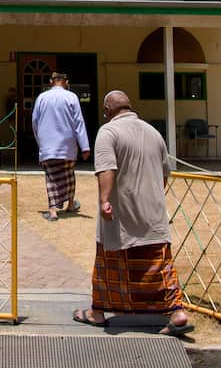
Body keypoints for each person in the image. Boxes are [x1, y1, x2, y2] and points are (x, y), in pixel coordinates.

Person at [73, 89, 194, 337]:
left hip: (121, 212)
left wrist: (104, 200)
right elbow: (163, 176)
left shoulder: (108, 132)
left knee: (109, 263)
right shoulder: (153, 133)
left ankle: (98, 312)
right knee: (158, 265)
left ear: (107, 111)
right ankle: (176, 312)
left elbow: (106, 169)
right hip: (153, 214)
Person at [30, 72, 91, 221]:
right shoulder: (71, 97)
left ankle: (52, 211)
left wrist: (41, 143)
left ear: (51, 82)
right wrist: (85, 146)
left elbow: (35, 122)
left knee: (51, 177)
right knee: (68, 174)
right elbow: (79, 123)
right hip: (67, 145)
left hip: (48, 146)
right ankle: (70, 204)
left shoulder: (42, 98)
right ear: (66, 82)